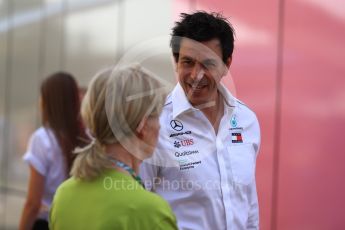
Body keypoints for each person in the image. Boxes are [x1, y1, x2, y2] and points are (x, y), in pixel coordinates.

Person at [140, 11, 261, 230]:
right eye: (188, 62)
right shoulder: (154, 124)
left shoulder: (247, 120)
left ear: (227, 64)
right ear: (176, 62)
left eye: (208, 64)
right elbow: (137, 207)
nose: (196, 74)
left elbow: (248, 204)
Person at [49, 64, 178, 230]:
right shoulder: (151, 212)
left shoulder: (63, 195)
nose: (160, 126)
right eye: (157, 116)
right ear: (142, 125)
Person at [19, 72, 88, 230]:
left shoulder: (42, 139)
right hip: (78, 222)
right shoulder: (87, 137)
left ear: (47, 101)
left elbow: (33, 203)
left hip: (47, 222)